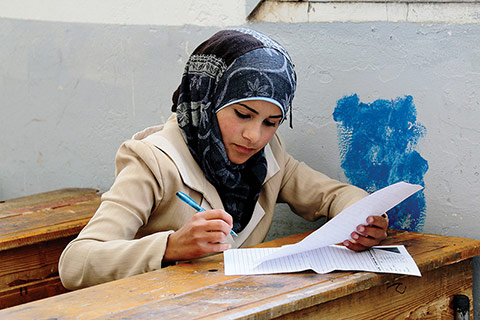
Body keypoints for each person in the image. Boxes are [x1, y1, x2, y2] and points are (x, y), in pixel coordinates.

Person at [58, 28, 388, 290]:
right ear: (207, 98)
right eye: (243, 114)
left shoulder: (268, 158)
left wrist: (362, 221)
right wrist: (171, 246)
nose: (254, 136)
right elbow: (76, 262)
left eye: (271, 122)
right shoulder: (152, 161)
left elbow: (335, 195)